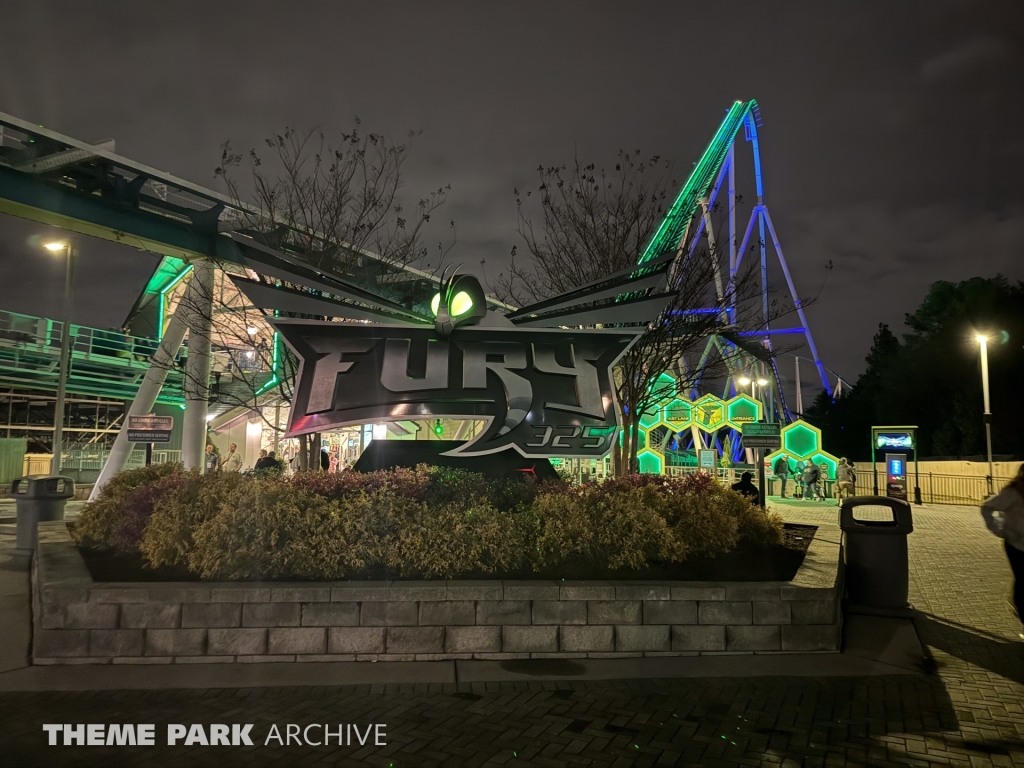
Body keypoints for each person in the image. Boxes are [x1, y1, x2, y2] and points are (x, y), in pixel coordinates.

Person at [981, 464, 1024, 640]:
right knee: (1022, 579)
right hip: (1016, 544)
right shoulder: (1013, 493)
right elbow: (987, 507)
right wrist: (999, 529)